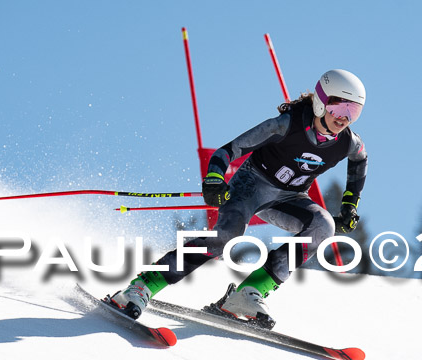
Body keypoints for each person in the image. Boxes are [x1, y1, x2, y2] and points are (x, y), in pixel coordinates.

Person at [109, 69, 368, 329]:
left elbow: (360, 161)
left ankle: (245, 296)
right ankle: (143, 285)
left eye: (353, 112)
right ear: (321, 101)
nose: (344, 119)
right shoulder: (285, 125)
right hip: (250, 187)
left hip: (289, 198)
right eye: (340, 109)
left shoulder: (347, 143)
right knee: (227, 234)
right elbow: (227, 151)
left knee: (323, 226)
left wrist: (350, 205)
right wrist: (214, 178)